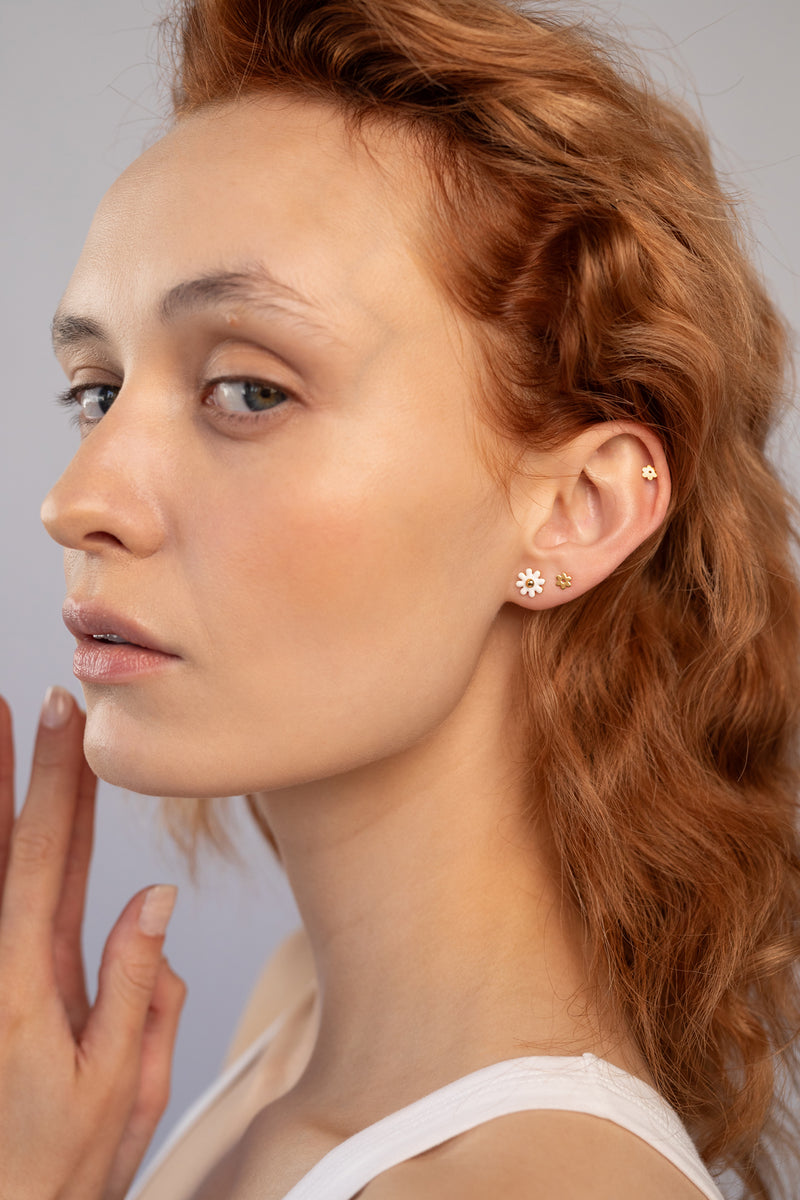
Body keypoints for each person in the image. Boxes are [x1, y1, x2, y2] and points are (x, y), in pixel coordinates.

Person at [1, 0, 798, 1196]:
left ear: (575, 511)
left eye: (248, 391)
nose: (79, 499)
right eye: (96, 388)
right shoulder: (292, 1020)